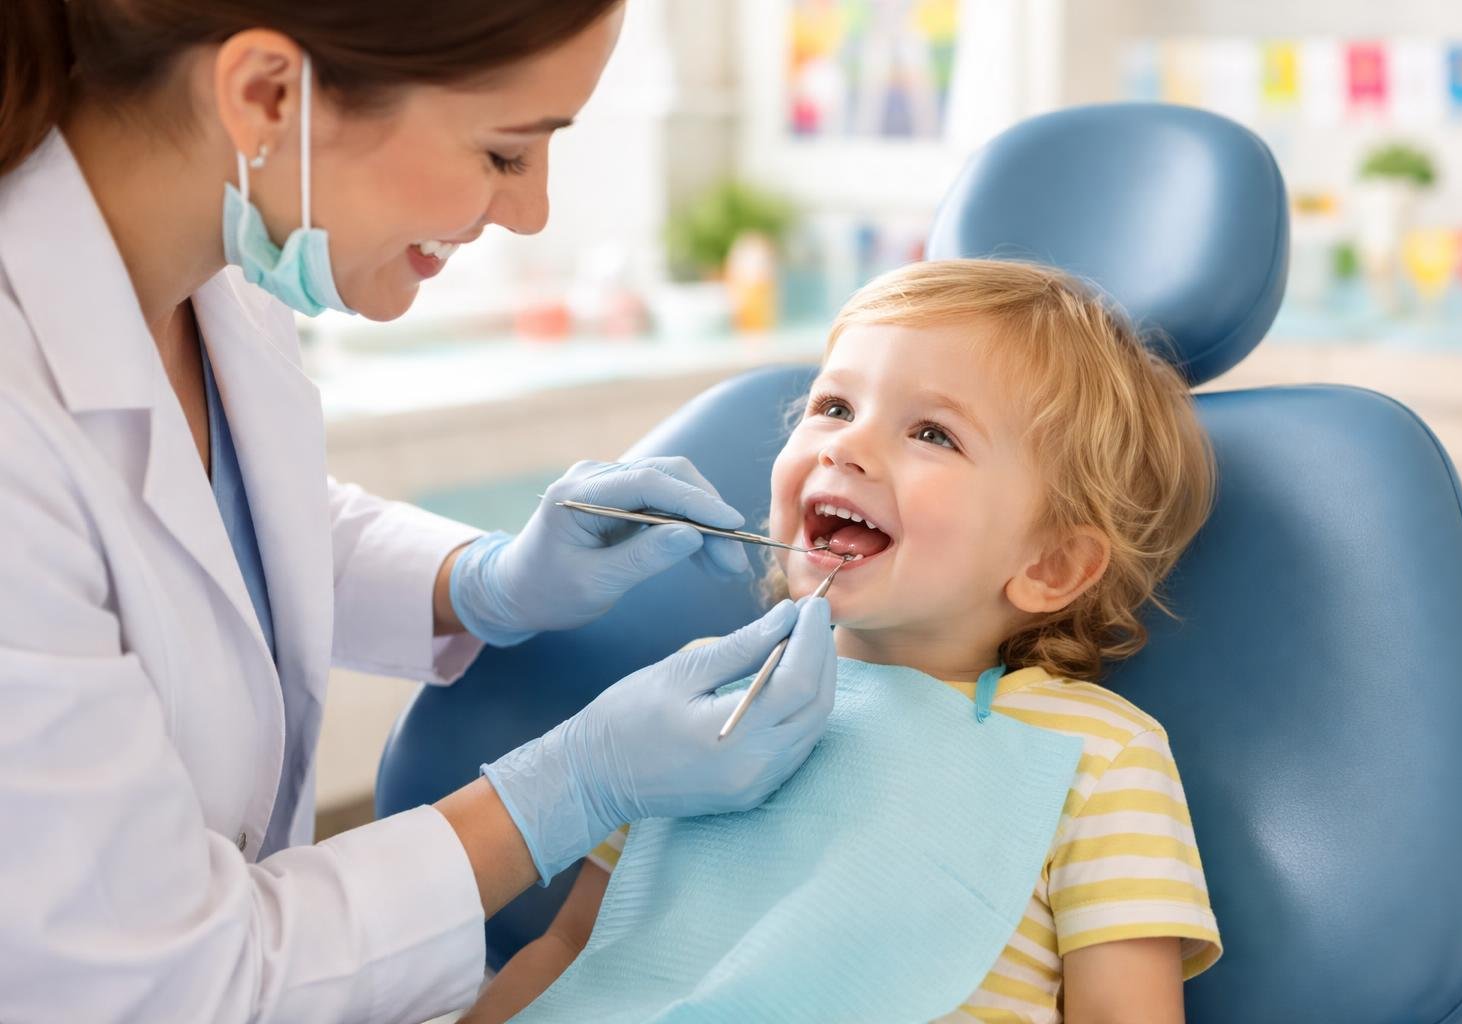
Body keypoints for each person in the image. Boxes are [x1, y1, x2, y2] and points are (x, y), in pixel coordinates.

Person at [0, 3, 837, 1021]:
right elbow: (159, 979)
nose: (531, 215)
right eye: (503, 150)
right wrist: (565, 790)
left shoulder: (221, 272)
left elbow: (230, 523)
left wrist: (482, 581)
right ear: (267, 95)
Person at [466, 260, 1224, 1023]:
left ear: (1050, 565)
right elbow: (572, 953)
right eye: (833, 406)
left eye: (933, 433)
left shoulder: (1100, 756)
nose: (846, 447)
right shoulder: (693, 702)